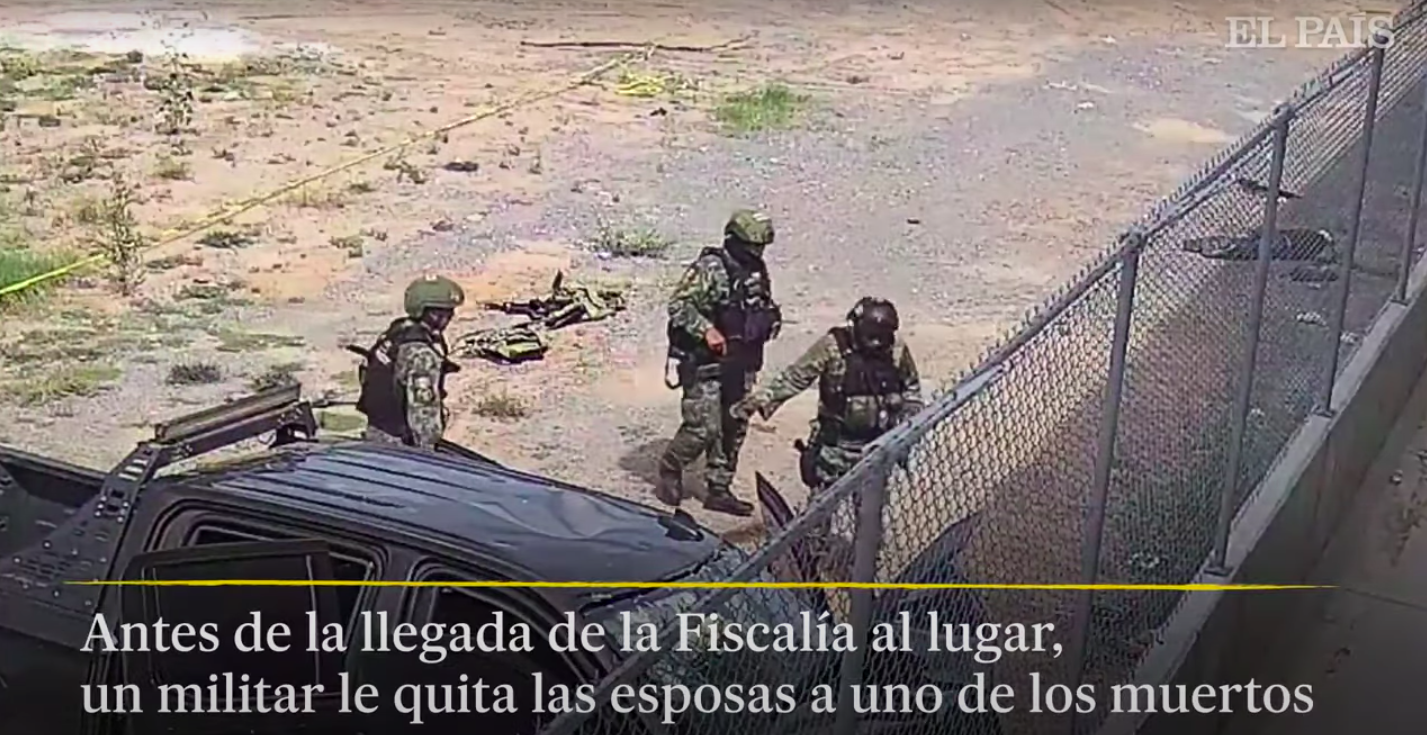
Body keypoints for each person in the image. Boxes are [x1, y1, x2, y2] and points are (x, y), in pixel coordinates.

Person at [657, 209, 784, 516]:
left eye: (760, 247)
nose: (757, 252)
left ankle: (719, 488)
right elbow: (679, 305)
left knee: (734, 426)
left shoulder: (755, 270)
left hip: (741, 362)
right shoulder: (710, 269)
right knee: (704, 428)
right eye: (752, 246)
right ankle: (671, 467)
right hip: (706, 363)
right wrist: (707, 330)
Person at [733, 297, 923, 492]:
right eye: (871, 335)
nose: (876, 342)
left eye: (882, 336)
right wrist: (760, 401)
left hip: (877, 445)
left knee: (871, 502)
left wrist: (908, 418)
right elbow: (797, 376)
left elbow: (912, 388)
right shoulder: (833, 346)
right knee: (826, 500)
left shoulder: (896, 350)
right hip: (835, 448)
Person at [354, 274, 466, 448]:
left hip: (376, 430)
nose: (449, 317)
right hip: (400, 444)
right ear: (426, 312)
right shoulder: (421, 354)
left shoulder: (397, 332)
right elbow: (423, 412)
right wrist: (428, 450)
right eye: (442, 312)